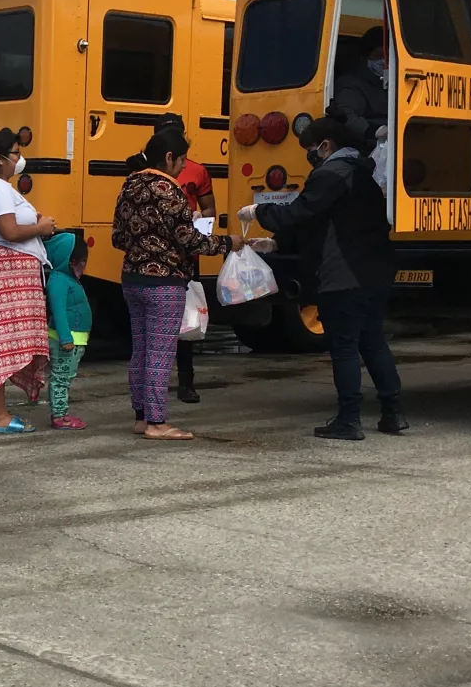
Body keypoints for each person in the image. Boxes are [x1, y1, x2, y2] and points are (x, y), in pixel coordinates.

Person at [242, 113, 404, 440]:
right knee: (373, 343)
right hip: (374, 273)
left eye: (310, 148)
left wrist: (259, 212)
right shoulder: (362, 176)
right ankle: (393, 413)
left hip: (342, 275)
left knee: (344, 347)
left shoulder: (331, 174)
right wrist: (277, 242)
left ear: (325, 145)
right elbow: (323, 223)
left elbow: (300, 212)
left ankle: (349, 419)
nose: (309, 154)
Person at [114, 130, 239, 441]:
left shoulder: (130, 184)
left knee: (141, 350)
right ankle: (157, 422)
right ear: (169, 158)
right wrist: (226, 242)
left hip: (132, 278)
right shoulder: (169, 190)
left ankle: (141, 417)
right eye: (181, 159)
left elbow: (117, 238)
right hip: (164, 282)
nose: (184, 167)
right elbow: (189, 239)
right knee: (160, 352)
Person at [0, 130, 56, 433]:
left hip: (9, 275)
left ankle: (1, 411)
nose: (20, 159)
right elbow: (9, 231)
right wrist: (41, 227)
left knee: (3, 343)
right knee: (1, 343)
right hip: (4, 276)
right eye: (15, 153)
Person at [155, 114, 215, 404]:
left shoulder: (198, 171)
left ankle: (186, 381)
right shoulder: (146, 174)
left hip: (187, 254)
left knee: (186, 319)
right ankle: (156, 382)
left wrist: (202, 222)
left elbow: (209, 210)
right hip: (158, 255)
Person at [43, 233, 93, 430]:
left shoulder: (67, 278)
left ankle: (61, 413)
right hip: (67, 340)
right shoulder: (59, 281)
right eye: (80, 262)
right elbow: (59, 311)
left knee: (65, 376)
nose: (83, 266)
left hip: (75, 339)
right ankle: (60, 416)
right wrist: (65, 337)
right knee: (61, 378)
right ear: (69, 261)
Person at [333, 27, 390, 149]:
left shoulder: (398, 83)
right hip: (367, 148)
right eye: (378, 56)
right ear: (364, 59)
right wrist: (374, 130)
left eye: (388, 56)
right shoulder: (351, 84)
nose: (383, 61)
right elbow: (345, 115)